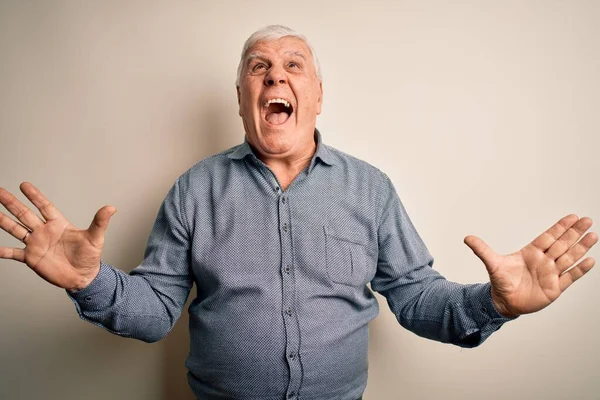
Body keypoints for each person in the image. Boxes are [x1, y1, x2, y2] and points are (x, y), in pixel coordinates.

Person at [0, 25, 596, 400]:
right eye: (258, 67)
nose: (275, 74)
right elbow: (155, 313)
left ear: (316, 94)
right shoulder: (193, 190)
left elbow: (417, 299)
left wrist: (493, 303)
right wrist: (91, 282)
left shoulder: (370, 189)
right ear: (242, 99)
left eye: (293, 65)